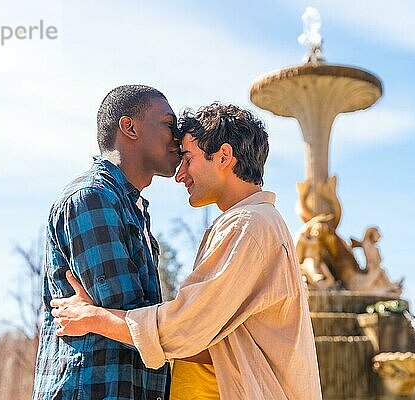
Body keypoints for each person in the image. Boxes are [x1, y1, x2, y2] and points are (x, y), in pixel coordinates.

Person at [51, 103, 323, 399]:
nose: (180, 175)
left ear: (224, 156)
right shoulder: (253, 223)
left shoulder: (247, 226)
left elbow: (187, 329)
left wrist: (94, 318)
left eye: (188, 158)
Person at [32, 85, 182, 400]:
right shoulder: (92, 198)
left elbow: (137, 324)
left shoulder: (131, 207)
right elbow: (135, 321)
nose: (179, 137)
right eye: (170, 124)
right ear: (129, 127)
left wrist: (98, 316)